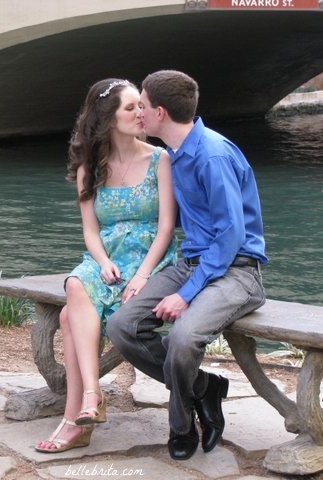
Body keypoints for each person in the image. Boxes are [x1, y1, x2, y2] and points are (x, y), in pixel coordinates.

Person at [106, 70, 268, 461]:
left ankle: (181, 428)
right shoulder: (173, 155)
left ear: (159, 112)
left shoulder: (212, 155)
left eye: (141, 105)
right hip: (193, 263)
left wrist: (185, 294)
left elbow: (230, 237)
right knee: (122, 326)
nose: (138, 112)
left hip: (238, 271)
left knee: (182, 339)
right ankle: (203, 387)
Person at [35, 78, 178, 453]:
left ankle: (76, 418)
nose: (140, 113)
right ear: (107, 118)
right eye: (130, 108)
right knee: (76, 285)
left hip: (151, 257)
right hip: (107, 259)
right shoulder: (89, 168)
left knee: (69, 318)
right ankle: (92, 397)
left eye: (140, 106)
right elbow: (90, 231)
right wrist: (101, 261)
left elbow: (166, 227)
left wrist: (145, 273)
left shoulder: (160, 159)